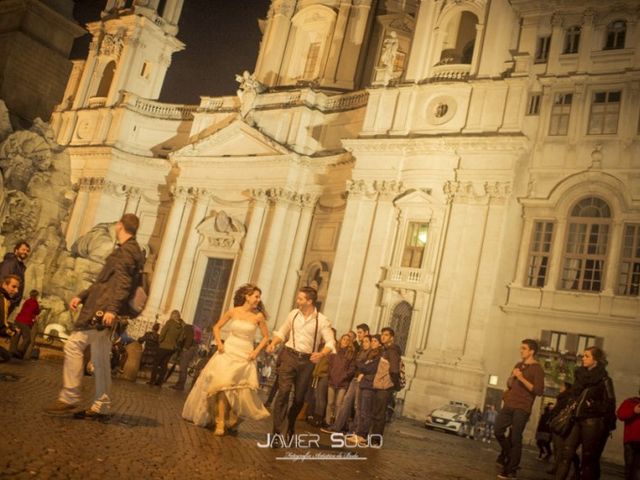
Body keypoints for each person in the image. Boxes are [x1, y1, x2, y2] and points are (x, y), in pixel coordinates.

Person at [44, 214, 144, 418]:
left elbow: (122, 284)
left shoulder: (126, 252)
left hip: (101, 310)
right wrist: (81, 296)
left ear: (120, 226)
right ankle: (102, 404)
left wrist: (112, 309)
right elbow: (103, 283)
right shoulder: (129, 251)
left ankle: (70, 396)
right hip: (104, 308)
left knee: (73, 345)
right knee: (100, 359)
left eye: (117, 224)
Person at [182, 283, 270, 436]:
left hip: (245, 354)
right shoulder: (233, 312)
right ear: (247, 296)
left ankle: (233, 418)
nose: (258, 299)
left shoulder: (258, 316)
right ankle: (220, 422)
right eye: (256, 296)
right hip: (228, 351)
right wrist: (219, 343)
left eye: (259, 297)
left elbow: (266, 337)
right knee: (221, 386)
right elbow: (217, 327)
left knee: (238, 391)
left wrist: (255, 352)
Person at [267, 286, 335, 446]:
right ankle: (276, 433)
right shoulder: (294, 314)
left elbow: (331, 342)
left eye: (300, 299)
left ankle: (291, 424)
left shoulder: (322, 320)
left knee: (298, 398)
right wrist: (273, 344)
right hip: (290, 355)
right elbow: (283, 331)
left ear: (309, 301)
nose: (297, 301)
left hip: (307, 362)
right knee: (283, 392)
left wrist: (321, 353)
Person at [554, 346, 616, 480]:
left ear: (596, 360)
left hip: (592, 422)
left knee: (588, 457)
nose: (583, 358)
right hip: (576, 419)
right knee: (566, 453)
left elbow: (610, 404)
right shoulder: (579, 375)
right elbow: (574, 394)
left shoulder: (604, 380)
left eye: (587, 356)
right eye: (583, 356)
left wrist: (593, 405)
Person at [495, 339, 545, 480]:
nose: (521, 350)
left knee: (516, 438)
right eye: (521, 348)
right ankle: (511, 456)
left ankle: (510, 470)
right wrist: (512, 376)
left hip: (522, 407)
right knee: (497, 430)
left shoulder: (537, 369)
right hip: (509, 404)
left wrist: (521, 378)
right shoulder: (518, 365)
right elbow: (510, 384)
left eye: (524, 348)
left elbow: (539, 390)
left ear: (531, 351)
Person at [348, 334, 382, 446]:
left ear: (379, 344)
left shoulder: (378, 356)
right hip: (364, 383)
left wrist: (360, 364)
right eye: (372, 341)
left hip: (370, 385)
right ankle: (358, 433)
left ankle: (362, 435)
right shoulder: (370, 354)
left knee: (366, 412)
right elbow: (364, 367)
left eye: (375, 341)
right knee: (361, 410)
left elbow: (369, 368)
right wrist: (362, 365)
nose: (373, 343)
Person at [371, 327, 402, 440]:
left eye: (386, 335)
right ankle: (373, 438)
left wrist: (394, 385)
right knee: (377, 413)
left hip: (385, 387)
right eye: (382, 334)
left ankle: (376, 440)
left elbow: (394, 370)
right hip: (380, 385)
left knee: (380, 415)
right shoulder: (385, 350)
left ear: (391, 338)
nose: (383, 337)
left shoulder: (392, 351)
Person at [547, 382, 580, 477]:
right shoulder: (564, 396)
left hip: (561, 425)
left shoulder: (566, 397)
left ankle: (559, 469)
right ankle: (558, 468)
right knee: (561, 448)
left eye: (562, 386)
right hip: (560, 424)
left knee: (562, 449)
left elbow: (561, 410)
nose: (560, 387)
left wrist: (554, 411)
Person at [325, 333, 356, 426]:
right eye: (344, 339)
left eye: (347, 340)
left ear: (350, 342)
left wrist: (345, 376)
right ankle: (327, 421)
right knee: (330, 403)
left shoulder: (351, 354)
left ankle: (337, 423)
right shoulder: (334, 352)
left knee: (339, 404)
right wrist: (330, 375)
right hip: (332, 380)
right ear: (340, 340)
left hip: (343, 382)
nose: (345, 341)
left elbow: (352, 368)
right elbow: (329, 365)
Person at [148, 310, 185, 386]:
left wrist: (160, 341)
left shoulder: (169, 323)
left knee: (156, 363)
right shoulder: (181, 327)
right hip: (172, 348)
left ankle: (152, 380)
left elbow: (163, 333)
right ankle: (159, 382)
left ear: (172, 316)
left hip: (164, 346)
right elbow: (180, 339)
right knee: (164, 365)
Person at [0, 240, 30, 313]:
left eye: (27, 251)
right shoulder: (10, 263)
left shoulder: (19, 266)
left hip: (9, 302)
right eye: (23, 249)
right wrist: (5, 300)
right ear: (16, 250)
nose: (25, 252)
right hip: (4, 301)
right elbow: (2, 280)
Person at [9, 289, 40, 359]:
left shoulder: (27, 301)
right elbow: (37, 311)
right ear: (36, 296)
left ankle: (12, 351)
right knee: (27, 338)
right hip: (25, 322)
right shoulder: (35, 303)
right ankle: (19, 352)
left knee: (16, 336)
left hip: (18, 320)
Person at [617, 389, 640, 480]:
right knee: (629, 468)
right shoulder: (630, 402)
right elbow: (620, 415)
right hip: (630, 442)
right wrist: (634, 411)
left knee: (637, 469)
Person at [171, 323, 198, 391]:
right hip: (189, 350)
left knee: (183, 368)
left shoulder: (187, 328)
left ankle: (180, 385)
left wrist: (185, 347)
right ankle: (179, 384)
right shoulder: (189, 328)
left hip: (187, 351)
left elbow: (189, 338)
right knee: (183, 368)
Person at [0, 275, 20, 362]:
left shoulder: (4, 298)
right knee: (6, 356)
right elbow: (1, 327)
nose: (16, 291)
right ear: (4, 284)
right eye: (13, 287)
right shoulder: (2, 299)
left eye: (17, 288)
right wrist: (13, 332)